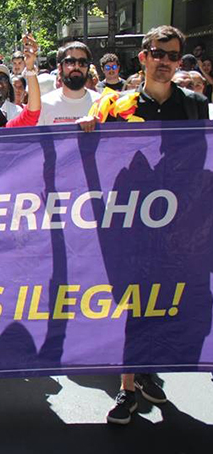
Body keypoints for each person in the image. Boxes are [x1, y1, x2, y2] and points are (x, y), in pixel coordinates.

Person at [78, 25, 209, 425]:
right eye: (158, 53)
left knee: (170, 302)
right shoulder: (114, 105)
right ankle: (128, 387)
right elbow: (89, 152)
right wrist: (87, 128)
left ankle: (150, 371)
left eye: (173, 56)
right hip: (130, 221)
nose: (165, 62)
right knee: (135, 303)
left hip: (177, 224)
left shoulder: (193, 104)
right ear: (144, 57)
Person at [37, 41, 101, 126]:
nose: (77, 67)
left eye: (82, 62)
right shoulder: (43, 104)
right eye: (70, 62)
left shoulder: (100, 103)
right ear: (60, 68)